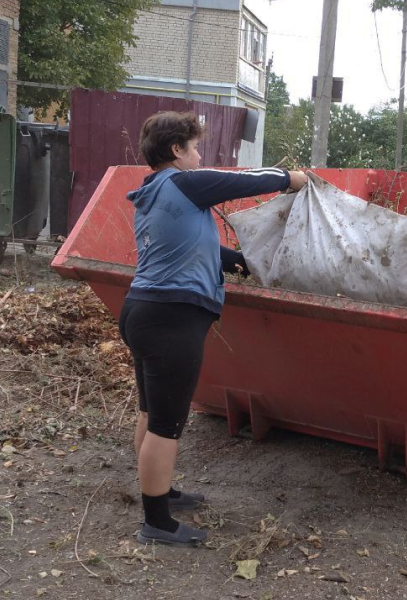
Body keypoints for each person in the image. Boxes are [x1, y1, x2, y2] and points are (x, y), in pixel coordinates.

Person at [119, 111, 307, 547]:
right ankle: (156, 523)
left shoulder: (152, 193)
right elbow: (241, 180)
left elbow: (188, 244)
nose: (199, 154)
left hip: (142, 310)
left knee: (151, 412)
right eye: (194, 147)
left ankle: (159, 492)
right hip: (171, 317)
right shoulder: (184, 183)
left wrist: (236, 261)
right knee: (167, 424)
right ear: (176, 151)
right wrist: (289, 178)